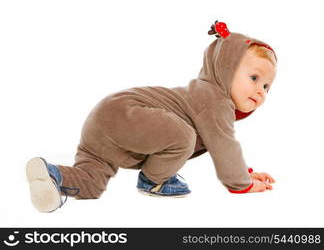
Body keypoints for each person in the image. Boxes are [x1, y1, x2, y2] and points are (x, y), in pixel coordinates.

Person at [26, 21, 277, 213]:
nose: (260, 91)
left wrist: (245, 171)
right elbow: (224, 146)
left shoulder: (205, 99)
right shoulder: (214, 99)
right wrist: (242, 182)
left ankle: (53, 176)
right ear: (225, 68)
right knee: (182, 136)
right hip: (126, 113)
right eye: (254, 78)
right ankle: (154, 181)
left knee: (92, 181)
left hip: (104, 120)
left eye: (267, 86)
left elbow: (222, 144)